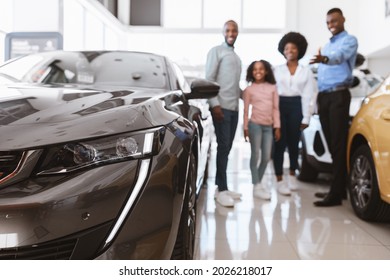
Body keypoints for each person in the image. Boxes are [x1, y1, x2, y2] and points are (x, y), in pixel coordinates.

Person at [309, 8, 358, 207]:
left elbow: (339, 57)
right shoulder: (327, 45)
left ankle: (336, 194)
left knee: (338, 144)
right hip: (325, 97)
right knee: (332, 145)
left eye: (335, 21)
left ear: (343, 19)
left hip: (338, 95)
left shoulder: (349, 40)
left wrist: (324, 59)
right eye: (328, 22)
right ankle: (339, 189)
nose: (331, 25)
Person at [273, 32, 316, 196]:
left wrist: (306, 117)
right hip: (280, 106)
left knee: (293, 143)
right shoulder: (276, 70)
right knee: (279, 144)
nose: (290, 51)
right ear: (283, 51)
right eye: (287, 48)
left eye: (293, 48)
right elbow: (272, 93)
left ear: (299, 50)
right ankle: (279, 179)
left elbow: (309, 95)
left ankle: (292, 174)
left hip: (297, 106)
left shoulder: (306, 72)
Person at [205, 20, 242, 207]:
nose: (231, 32)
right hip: (222, 107)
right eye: (228, 29)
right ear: (223, 32)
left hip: (234, 108)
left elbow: (233, 86)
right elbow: (209, 80)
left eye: (234, 30)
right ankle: (221, 189)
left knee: (227, 148)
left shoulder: (235, 56)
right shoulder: (216, 52)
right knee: (223, 146)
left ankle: (223, 187)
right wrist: (215, 104)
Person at [243, 60, 281, 200]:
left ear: (266, 71)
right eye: (255, 69)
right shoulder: (249, 90)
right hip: (255, 126)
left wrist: (277, 126)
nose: (258, 71)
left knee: (266, 157)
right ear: (251, 72)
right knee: (255, 155)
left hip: (268, 127)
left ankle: (256, 184)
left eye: (261, 69)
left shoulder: (273, 88)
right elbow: (246, 110)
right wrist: (245, 127)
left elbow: (276, 109)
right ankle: (257, 184)